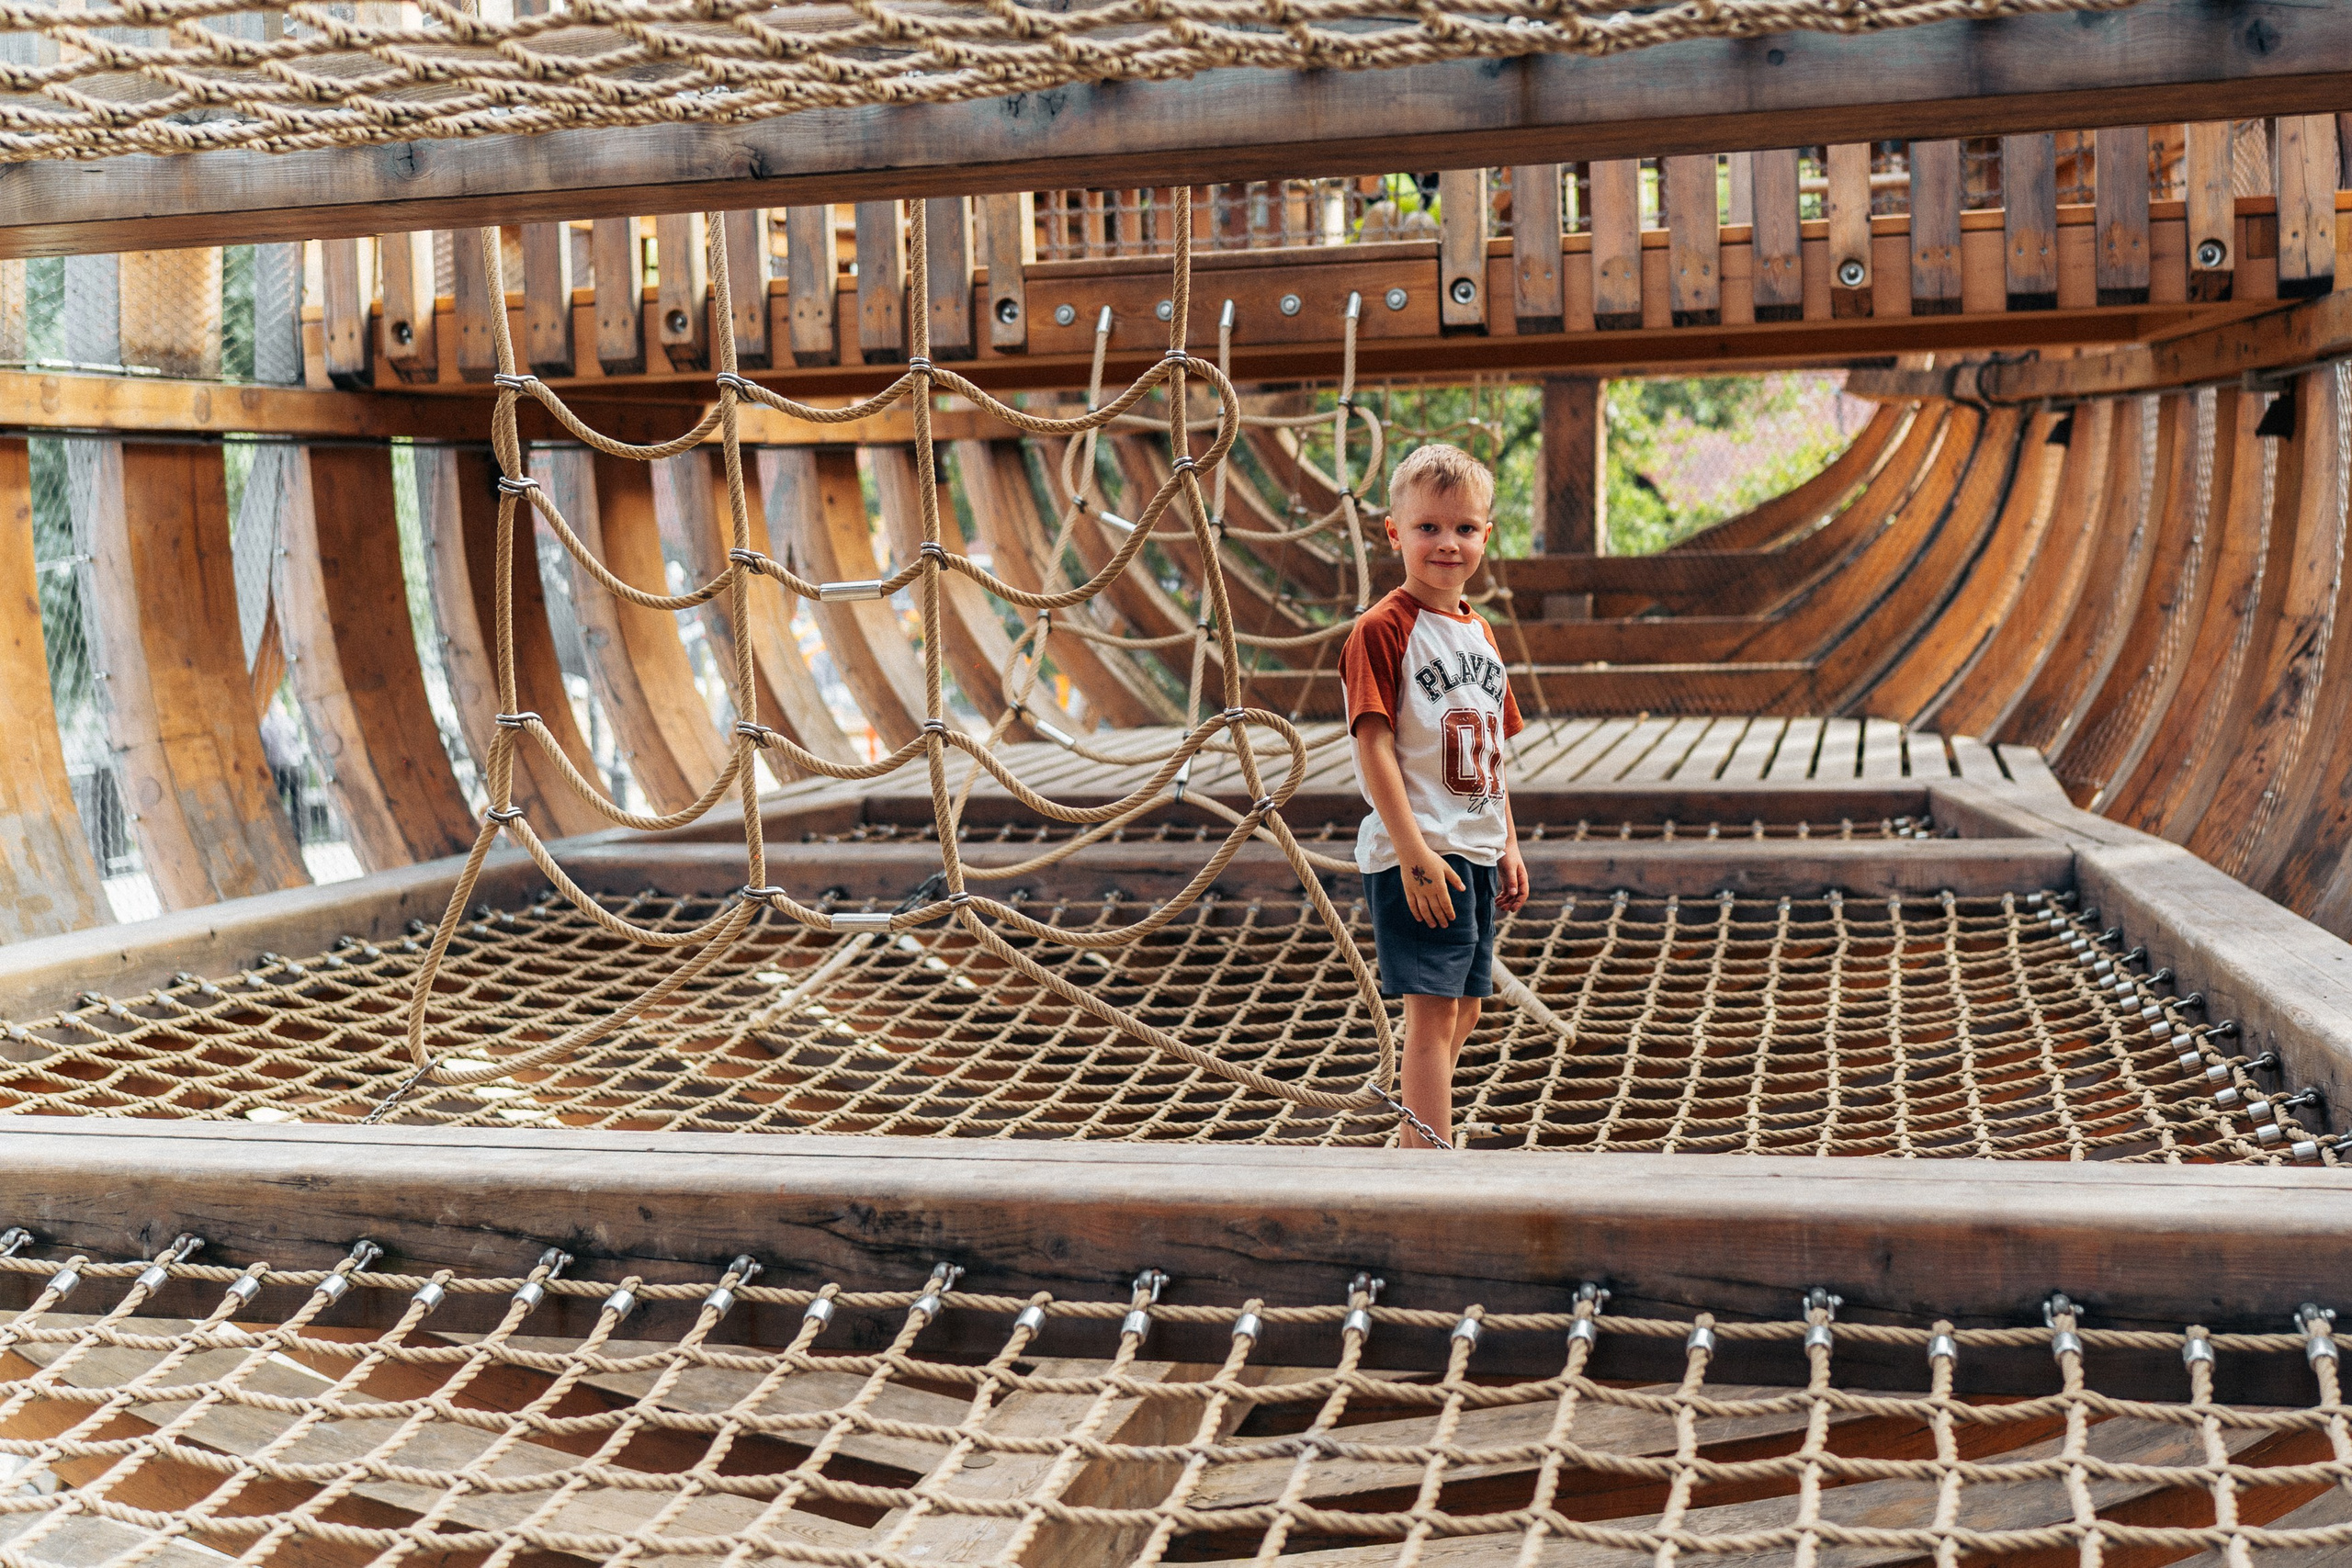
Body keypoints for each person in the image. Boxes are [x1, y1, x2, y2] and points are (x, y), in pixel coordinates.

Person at [1340, 443, 1530, 1149]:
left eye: (1465, 528)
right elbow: (1374, 744)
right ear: (1395, 533)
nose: (1447, 543)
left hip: (1474, 849)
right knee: (1431, 1018)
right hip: (1421, 854)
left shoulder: (1480, 634)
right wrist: (1414, 851)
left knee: (1466, 1013)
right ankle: (1429, 1171)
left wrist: (1508, 841)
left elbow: (1491, 753)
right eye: (1428, 527)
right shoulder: (1383, 630)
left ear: (1486, 534)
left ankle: (1414, 1145)